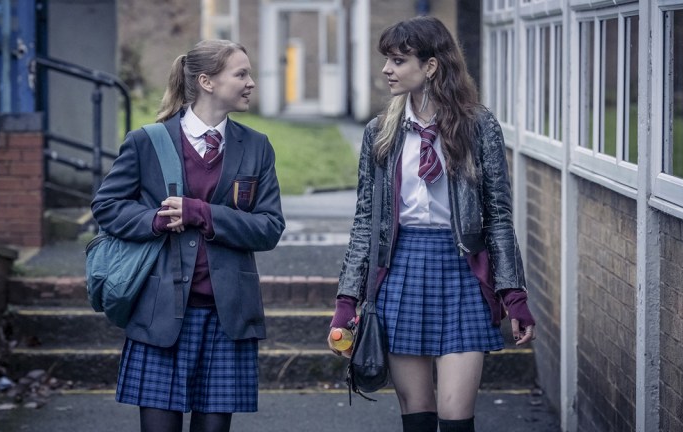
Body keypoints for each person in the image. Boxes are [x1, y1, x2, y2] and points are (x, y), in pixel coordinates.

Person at [327, 16, 536, 432]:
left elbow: (497, 215)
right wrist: (346, 301)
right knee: (417, 420)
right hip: (400, 273)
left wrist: (513, 293)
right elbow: (365, 222)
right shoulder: (379, 133)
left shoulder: (478, 126)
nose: (387, 69)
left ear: (431, 66)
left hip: (461, 272)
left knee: (457, 419)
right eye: (387, 59)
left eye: (399, 60)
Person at [92, 39, 285, 432]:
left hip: (227, 317)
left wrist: (202, 213)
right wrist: (156, 220)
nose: (251, 83)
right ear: (206, 81)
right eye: (241, 74)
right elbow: (107, 207)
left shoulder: (257, 147)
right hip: (159, 314)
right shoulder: (147, 141)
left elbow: (269, 227)